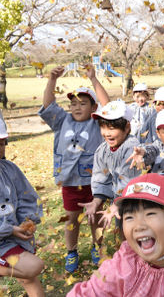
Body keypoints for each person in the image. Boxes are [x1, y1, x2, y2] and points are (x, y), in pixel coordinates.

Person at [38, 65, 109, 273]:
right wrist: (52, 79)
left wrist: (94, 79)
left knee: (96, 218)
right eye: (73, 104)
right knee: (72, 219)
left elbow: (108, 105)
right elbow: (48, 104)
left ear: (93, 107)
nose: (77, 108)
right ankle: (72, 251)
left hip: (94, 182)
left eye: (83, 103)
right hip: (70, 182)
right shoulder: (62, 121)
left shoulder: (98, 123)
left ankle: (98, 246)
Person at [79, 100, 158, 228]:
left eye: (112, 128)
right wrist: (96, 201)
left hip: (138, 201)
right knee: (122, 230)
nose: (106, 133)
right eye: (103, 127)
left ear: (127, 127)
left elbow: (129, 183)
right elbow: (101, 178)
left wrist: (115, 205)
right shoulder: (102, 150)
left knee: (137, 231)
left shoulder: (131, 149)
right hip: (119, 202)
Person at [0, 114, 44, 297]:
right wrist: (9, 229)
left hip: (12, 237)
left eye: (2, 142)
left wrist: (28, 221)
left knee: (28, 278)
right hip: (4, 238)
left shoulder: (9, 169)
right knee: (35, 266)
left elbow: (27, 198)